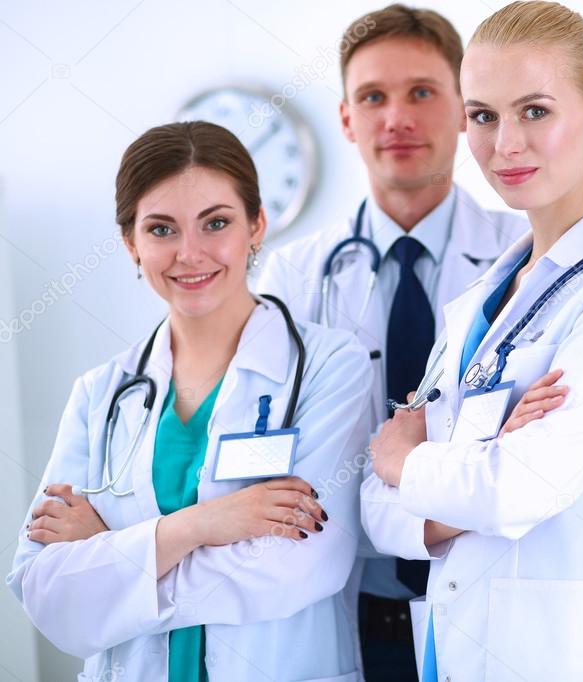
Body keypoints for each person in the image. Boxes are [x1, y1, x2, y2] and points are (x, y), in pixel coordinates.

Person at [361, 2, 583, 680]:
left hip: (575, 655)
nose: (504, 143)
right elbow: (376, 512)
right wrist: (468, 475)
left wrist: (407, 464)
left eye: (534, 111)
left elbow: (521, 486)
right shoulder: (486, 291)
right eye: (483, 116)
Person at [7, 121, 372, 682]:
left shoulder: (329, 366)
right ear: (131, 242)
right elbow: (45, 591)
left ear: (256, 225)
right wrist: (200, 525)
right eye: (161, 229)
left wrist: (111, 560)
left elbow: (300, 564)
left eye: (216, 223)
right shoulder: (101, 394)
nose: (190, 253)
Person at [255, 6, 525, 680]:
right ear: (346, 118)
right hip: (352, 606)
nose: (396, 118)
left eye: (421, 93)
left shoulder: (521, 258)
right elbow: (276, 446)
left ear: (465, 108)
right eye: (373, 97)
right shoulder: (294, 275)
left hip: (495, 598)